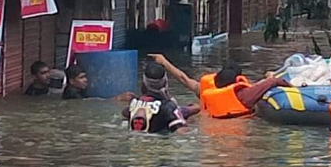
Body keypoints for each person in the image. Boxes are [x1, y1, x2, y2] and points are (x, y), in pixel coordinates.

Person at [148, 54, 290, 118]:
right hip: (235, 138)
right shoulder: (244, 95)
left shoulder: (204, 90)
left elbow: (183, 78)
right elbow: (272, 82)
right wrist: (273, 77)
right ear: (237, 80)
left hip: (206, 133)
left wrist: (164, 61)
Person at [123, 62, 187, 134]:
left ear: (144, 82)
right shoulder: (167, 106)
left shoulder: (133, 103)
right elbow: (181, 132)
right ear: (164, 82)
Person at [62, 64, 136, 102]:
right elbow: (86, 103)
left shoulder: (77, 90)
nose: (85, 80)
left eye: (85, 77)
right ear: (72, 81)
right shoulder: (71, 93)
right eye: (81, 78)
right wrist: (118, 98)